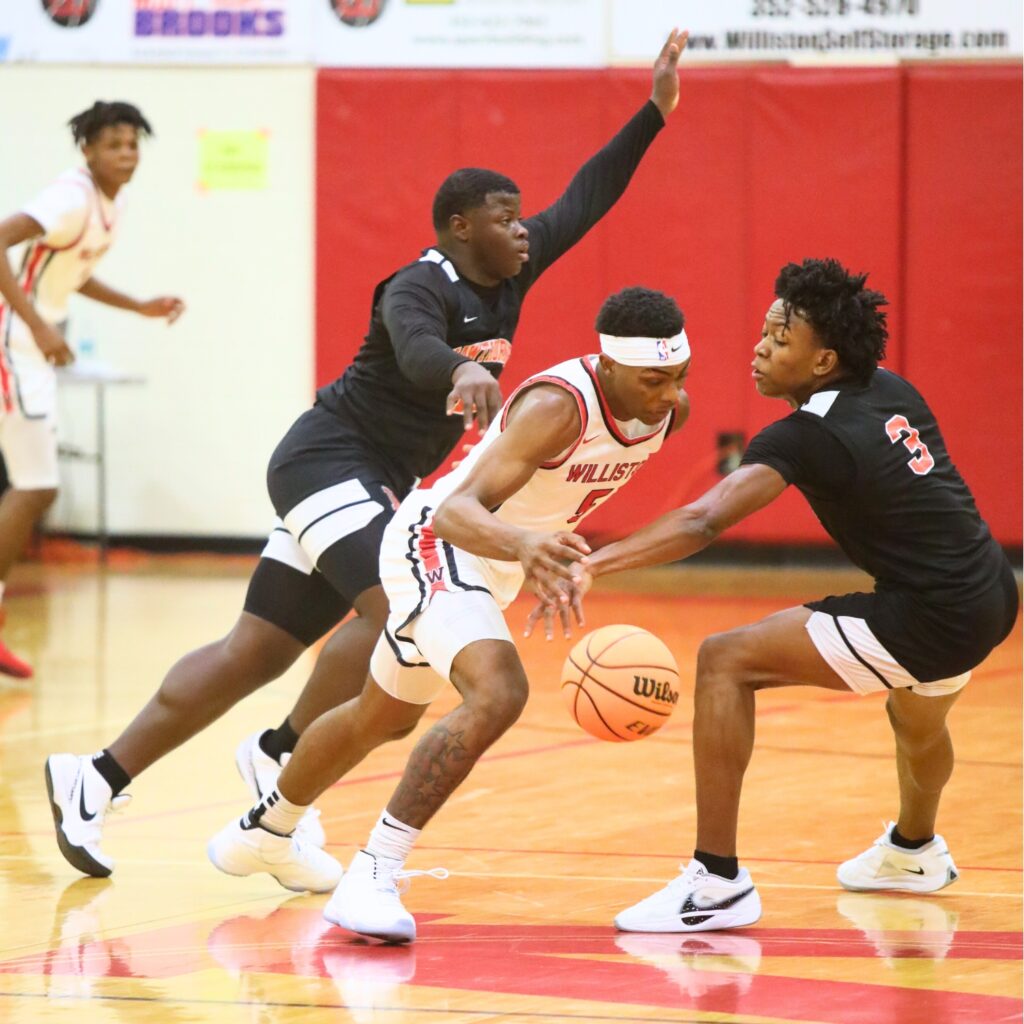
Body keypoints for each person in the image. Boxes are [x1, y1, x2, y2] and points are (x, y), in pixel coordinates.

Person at [44, 32, 691, 880]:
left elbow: (588, 195)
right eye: (504, 217)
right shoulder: (418, 284)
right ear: (461, 228)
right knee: (403, 614)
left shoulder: (510, 271)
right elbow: (417, 349)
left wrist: (654, 112)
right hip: (325, 461)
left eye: (520, 215)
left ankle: (92, 776)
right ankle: (279, 758)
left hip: (369, 480)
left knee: (258, 651)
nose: (523, 229)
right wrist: (462, 368)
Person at [546, 258, 1018, 934]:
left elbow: (703, 520)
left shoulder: (809, 434)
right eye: (765, 331)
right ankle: (914, 852)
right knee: (916, 720)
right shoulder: (891, 388)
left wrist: (592, 561)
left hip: (932, 612)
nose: (760, 347)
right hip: (990, 588)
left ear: (823, 359)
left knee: (725, 660)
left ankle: (716, 883)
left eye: (780, 338)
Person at [205, 286, 692, 941]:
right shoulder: (557, 407)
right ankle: (373, 873)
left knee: (381, 718)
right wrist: (527, 545)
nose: (667, 394)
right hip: (437, 541)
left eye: (679, 377)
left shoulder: (669, 411)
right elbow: (459, 511)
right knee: (499, 691)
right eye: (653, 379)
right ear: (607, 367)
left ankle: (266, 829)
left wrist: (574, 562)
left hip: (498, 564)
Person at [0, 101, 185, 679]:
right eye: (114, 144)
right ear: (88, 150)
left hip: (30, 342)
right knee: (35, 487)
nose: (126, 154)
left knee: (36, 487)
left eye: (132, 144)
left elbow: (72, 274)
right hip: (12, 341)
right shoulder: (70, 197)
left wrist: (138, 305)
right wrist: (35, 325)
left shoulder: (111, 203)